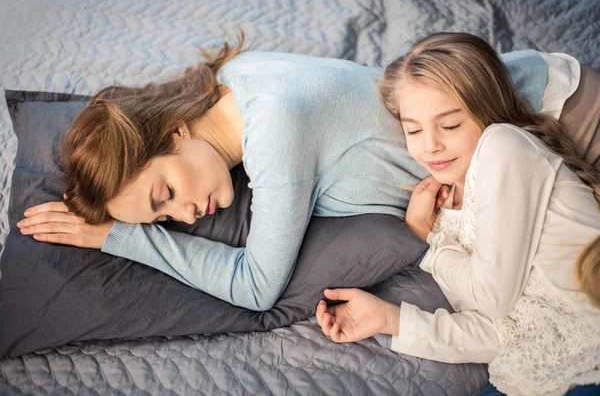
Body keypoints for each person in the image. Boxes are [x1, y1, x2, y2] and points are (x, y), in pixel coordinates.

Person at [18, 35, 578, 312]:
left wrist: (123, 238)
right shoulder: (238, 77)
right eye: (162, 218)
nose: (183, 215)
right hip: (541, 99)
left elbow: (257, 288)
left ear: (172, 133)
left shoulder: (276, 132)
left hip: (564, 121)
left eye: (164, 194)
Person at [315, 33, 600, 396]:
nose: (430, 144)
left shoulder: (504, 147)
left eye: (449, 125)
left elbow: (492, 298)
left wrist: (428, 243)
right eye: (413, 129)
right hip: (539, 376)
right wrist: (389, 319)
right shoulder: (447, 214)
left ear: (485, 112)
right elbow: (501, 331)